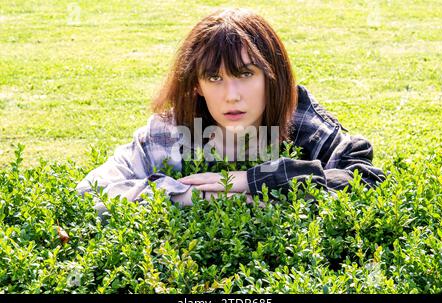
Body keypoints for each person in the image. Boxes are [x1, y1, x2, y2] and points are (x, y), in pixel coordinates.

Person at [76, 8, 385, 216]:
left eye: (246, 74)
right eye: (214, 78)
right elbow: (91, 192)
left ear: (271, 75)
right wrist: (193, 196)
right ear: (196, 85)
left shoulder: (300, 121)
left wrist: (254, 180)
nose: (232, 96)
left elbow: (366, 178)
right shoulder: (171, 134)